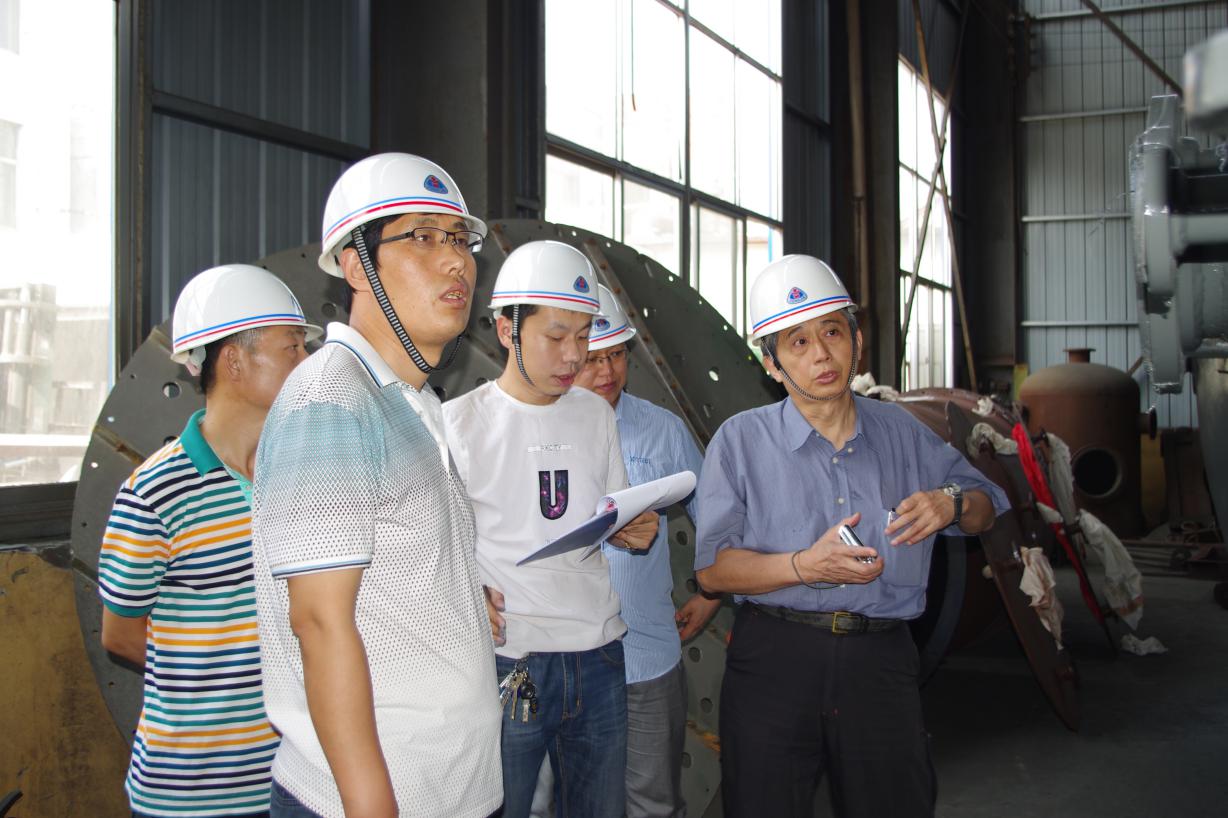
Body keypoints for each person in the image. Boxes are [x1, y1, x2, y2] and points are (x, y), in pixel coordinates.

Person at [694, 255, 1010, 818]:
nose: (821, 354)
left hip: (879, 661)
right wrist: (802, 566)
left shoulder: (904, 434)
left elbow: (987, 511)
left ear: (856, 341)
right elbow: (714, 571)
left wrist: (952, 502)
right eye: (797, 342)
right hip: (775, 660)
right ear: (771, 363)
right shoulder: (740, 443)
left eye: (832, 332)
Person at [249, 153, 502, 818]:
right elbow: (319, 622)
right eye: (422, 236)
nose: (455, 261)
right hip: (377, 800)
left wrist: (455, 605)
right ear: (357, 266)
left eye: (460, 239)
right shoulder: (331, 401)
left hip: (451, 790)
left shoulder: (412, 401)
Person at [442, 240, 659, 818]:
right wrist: (467, 593)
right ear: (506, 329)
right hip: (509, 659)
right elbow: (438, 551)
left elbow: (609, 514)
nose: (574, 356)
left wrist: (631, 528)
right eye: (556, 336)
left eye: (584, 336)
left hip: (599, 655)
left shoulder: (595, 414)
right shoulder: (459, 425)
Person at [98, 263, 320, 817]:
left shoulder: (308, 473)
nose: (307, 361)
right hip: (191, 790)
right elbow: (121, 635)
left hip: (298, 777)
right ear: (235, 362)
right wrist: (211, 674)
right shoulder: (155, 491)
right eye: (292, 347)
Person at [572, 284, 721, 817]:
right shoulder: (536, 430)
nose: (607, 371)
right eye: (593, 358)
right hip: (561, 661)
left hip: (646, 657)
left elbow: (715, 518)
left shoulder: (663, 431)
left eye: (617, 355)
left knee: (653, 803)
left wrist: (712, 594)